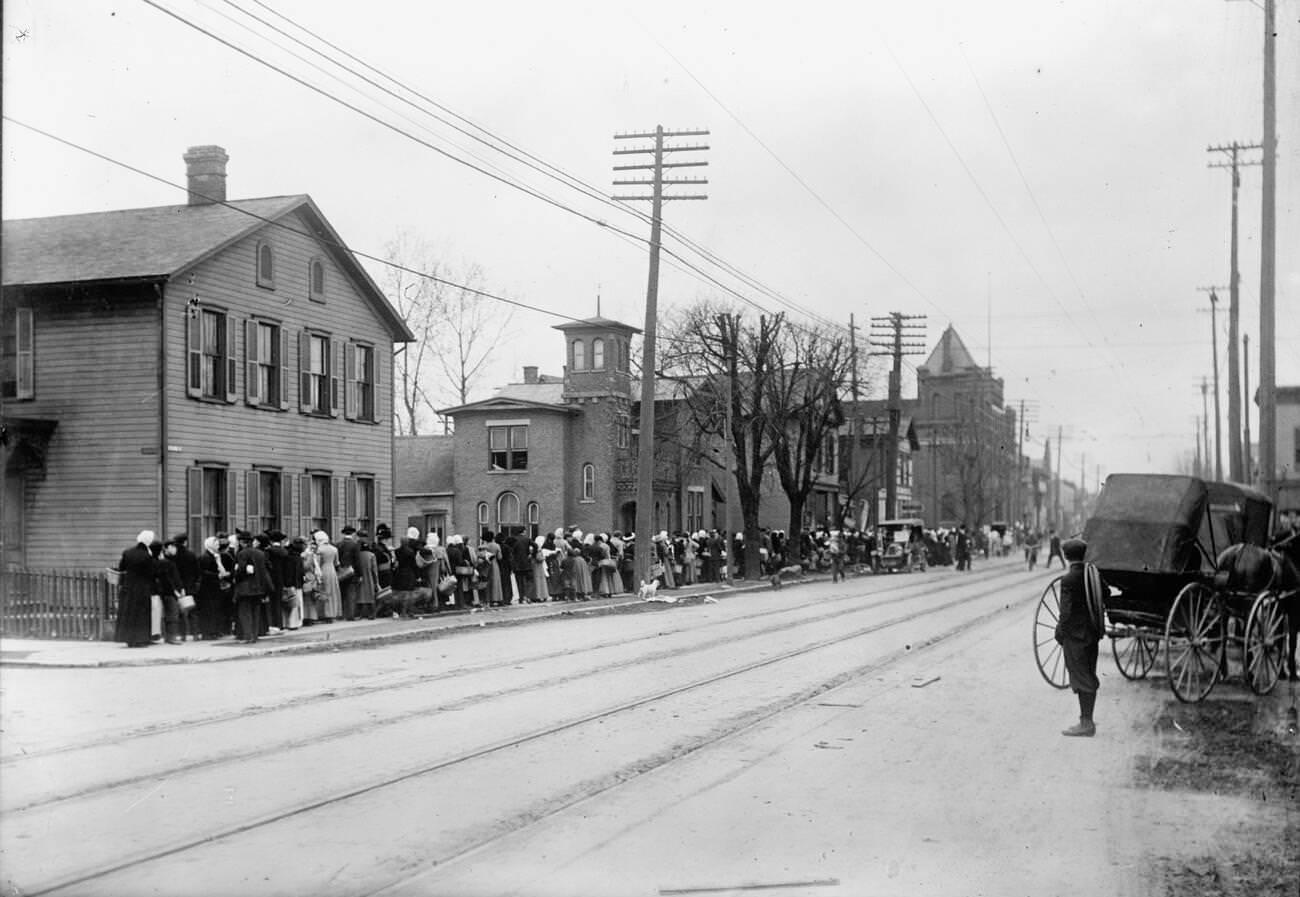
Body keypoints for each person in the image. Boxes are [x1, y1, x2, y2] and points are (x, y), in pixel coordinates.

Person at [1054, 538, 1105, 736]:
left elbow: (1065, 613)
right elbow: (1105, 594)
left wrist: (1060, 633)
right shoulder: (1093, 574)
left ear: (1066, 556)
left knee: (1081, 676)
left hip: (1075, 636)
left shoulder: (1068, 580)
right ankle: (1087, 720)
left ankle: (1086, 723)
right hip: (1092, 633)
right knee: (1089, 674)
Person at [113, 530, 156, 647]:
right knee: (141, 614)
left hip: (128, 586)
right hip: (142, 588)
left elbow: (121, 568)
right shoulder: (147, 555)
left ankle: (127, 638)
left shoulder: (127, 552)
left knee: (128, 612)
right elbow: (151, 572)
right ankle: (140, 639)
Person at [232, 530, 273, 644]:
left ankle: (247, 636)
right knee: (256, 612)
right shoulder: (260, 553)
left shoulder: (242, 554)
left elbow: (241, 570)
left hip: (245, 587)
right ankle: (254, 635)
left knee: (245, 613)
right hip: (259, 587)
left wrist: (235, 576)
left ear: (241, 542)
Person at [313, 530, 342, 622]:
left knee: (323, 591)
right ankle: (333, 613)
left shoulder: (319, 549)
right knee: (333, 592)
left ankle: (323, 613)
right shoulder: (334, 549)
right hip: (332, 570)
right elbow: (337, 563)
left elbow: (317, 562)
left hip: (323, 569)